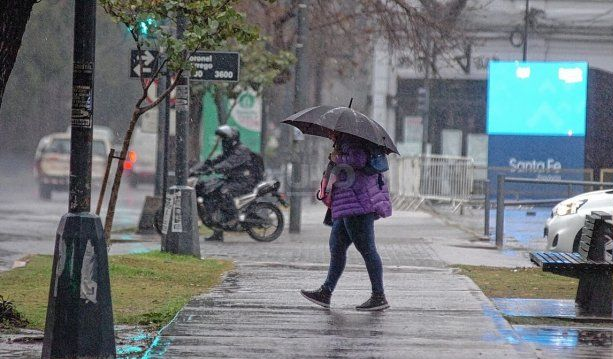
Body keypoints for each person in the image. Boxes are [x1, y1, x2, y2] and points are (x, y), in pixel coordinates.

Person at [301, 132, 392, 311]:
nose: (329, 134)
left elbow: (359, 160)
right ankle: (326, 292)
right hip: (346, 204)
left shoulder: (352, 139)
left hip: (357, 204)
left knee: (367, 249)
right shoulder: (345, 141)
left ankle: (379, 296)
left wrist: (338, 157)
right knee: (337, 246)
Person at [190, 125, 264, 241]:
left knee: (225, 191)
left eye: (225, 138)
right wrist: (200, 168)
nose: (223, 141)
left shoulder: (241, 150)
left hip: (245, 181)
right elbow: (217, 160)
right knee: (210, 191)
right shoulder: (230, 150)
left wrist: (213, 169)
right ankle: (217, 231)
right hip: (233, 179)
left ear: (232, 138)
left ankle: (233, 218)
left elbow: (229, 163)